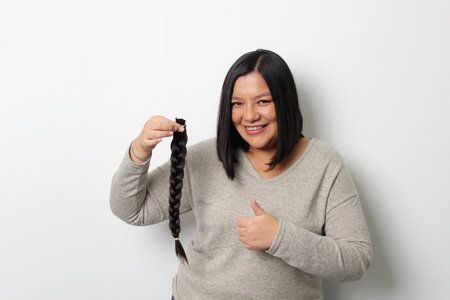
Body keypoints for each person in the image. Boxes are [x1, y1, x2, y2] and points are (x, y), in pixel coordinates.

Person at [110, 49, 372, 300]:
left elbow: (356, 260)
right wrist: (140, 150)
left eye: (263, 101)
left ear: (285, 102)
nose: (250, 116)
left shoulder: (325, 163)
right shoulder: (204, 158)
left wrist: (281, 237)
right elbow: (131, 210)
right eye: (237, 103)